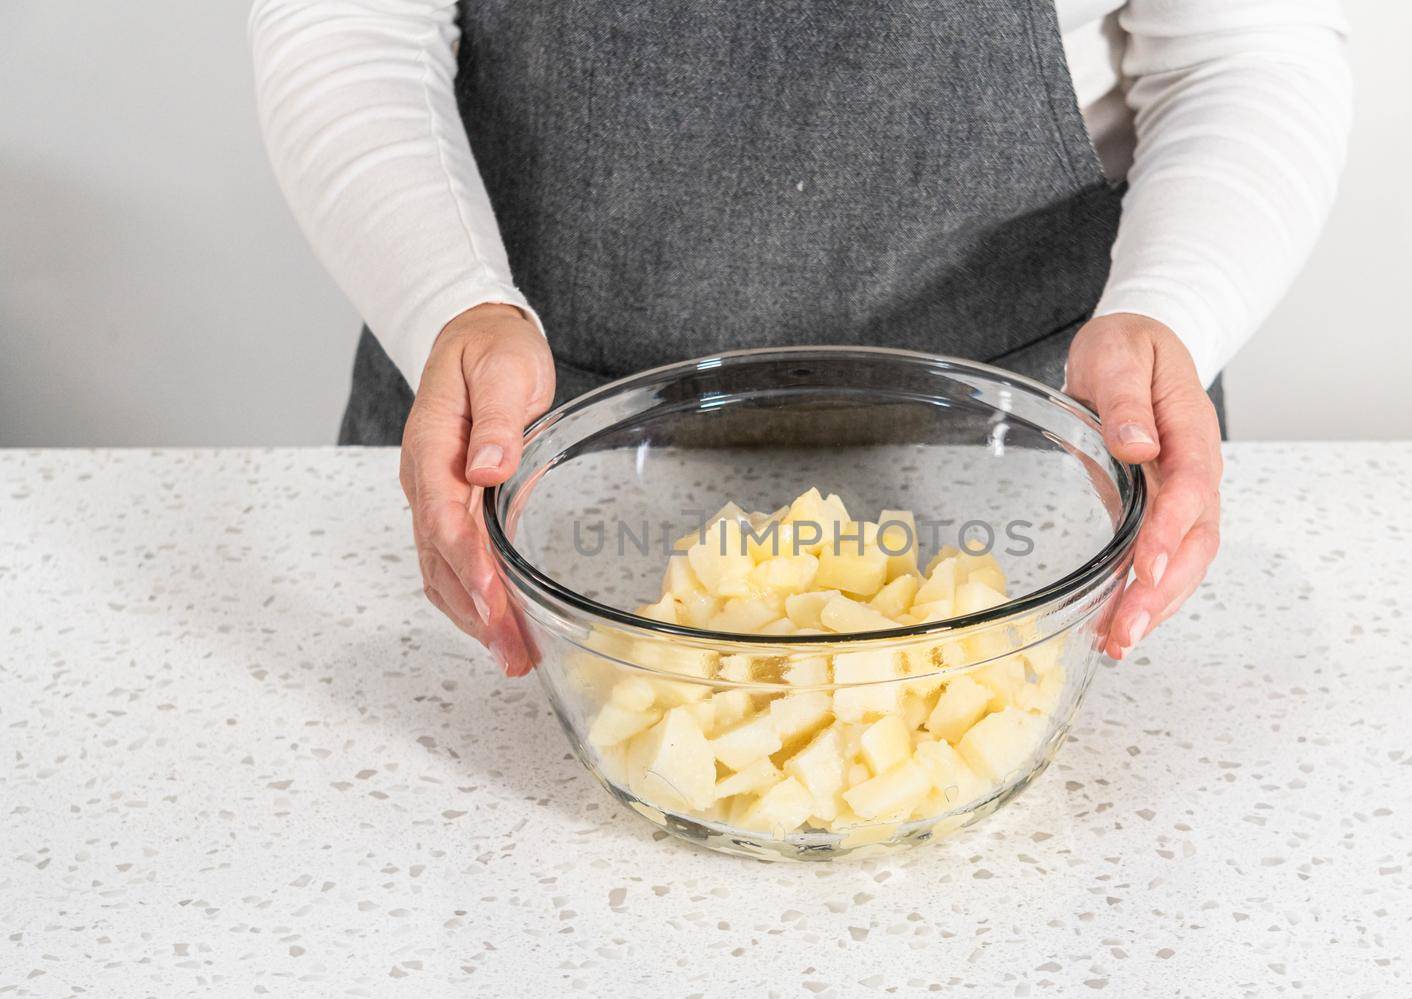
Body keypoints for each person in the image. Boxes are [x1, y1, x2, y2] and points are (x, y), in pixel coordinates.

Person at [250, 0, 1351, 677]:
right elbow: (351, 21)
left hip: (1035, 472)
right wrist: (452, 301)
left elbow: (1241, 52)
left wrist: (1168, 309)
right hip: (525, 441)